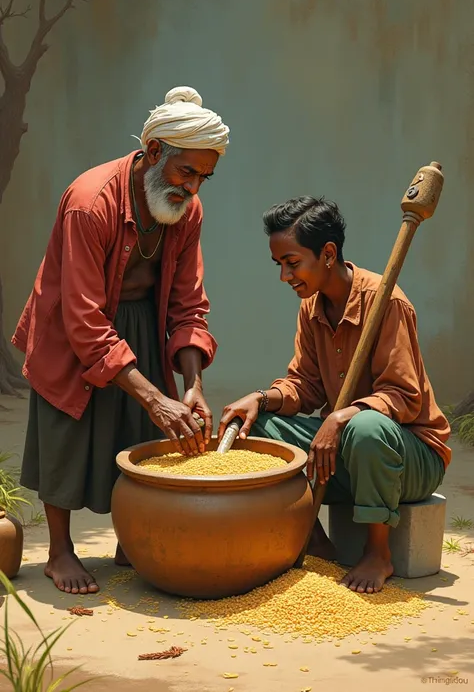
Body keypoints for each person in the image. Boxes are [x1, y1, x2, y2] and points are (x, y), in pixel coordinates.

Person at [12, 86, 230, 595]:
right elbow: (84, 317)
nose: (194, 187)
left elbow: (188, 301)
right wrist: (155, 396)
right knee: (68, 429)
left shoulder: (186, 211)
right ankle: (60, 551)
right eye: (186, 172)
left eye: (204, 177)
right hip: (74, 322)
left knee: (141, 436)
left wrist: (190, 383)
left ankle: (129, 541)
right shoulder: (90, 203)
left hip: (143, 323)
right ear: (155, 153)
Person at [218, 195, 450, 594]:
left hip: (410, 456)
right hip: (347, 452)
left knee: (366, 428)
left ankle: (378, 553)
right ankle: (313, 539)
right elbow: (305, 386)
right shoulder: (311, 307)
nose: (284, 276)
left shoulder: (386, 300)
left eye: (292, 263)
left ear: (327, 254)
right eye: (279, 266)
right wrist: (261, 398)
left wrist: (340, 417)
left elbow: (403, 395)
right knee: (261, 428)